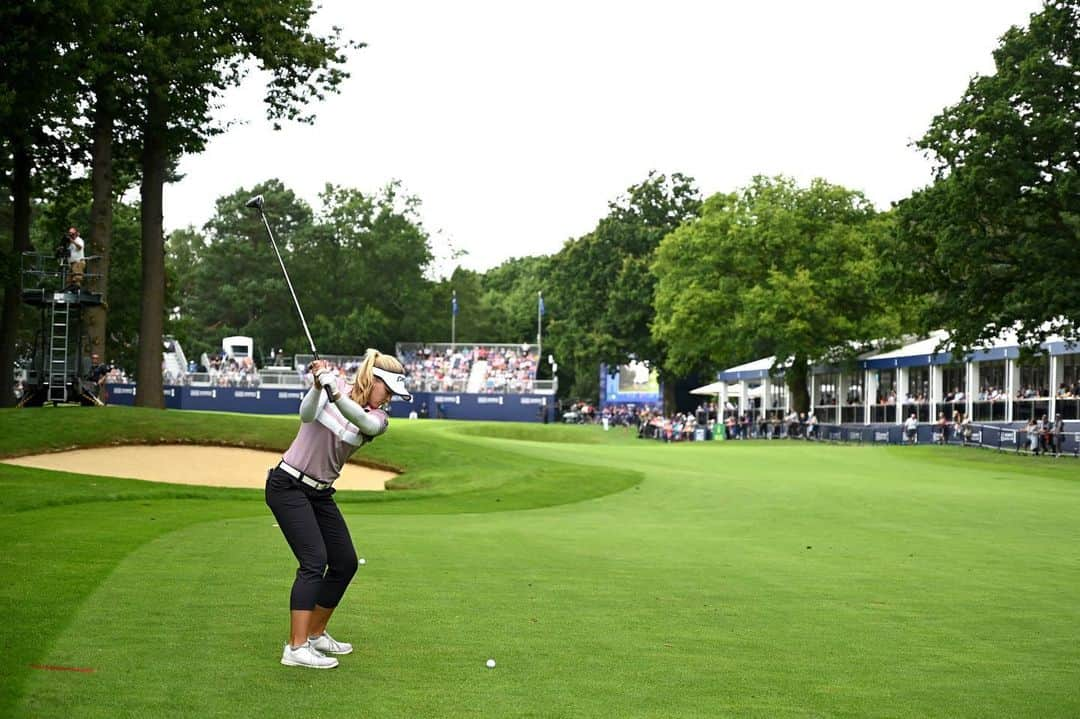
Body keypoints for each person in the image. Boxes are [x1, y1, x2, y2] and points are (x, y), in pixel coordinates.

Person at [266, 349, 411, 669]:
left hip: (319, 493)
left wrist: (332, 388)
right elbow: (306, 415)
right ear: (373, 380)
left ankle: (315, 634)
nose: (388, 400)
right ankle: (296, 647)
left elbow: (355, 423)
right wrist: (318, 386)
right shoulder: (335, 389)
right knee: (314, 561)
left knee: (344, 562)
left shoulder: (379, 418)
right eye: (387, 391)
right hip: (287, 485)